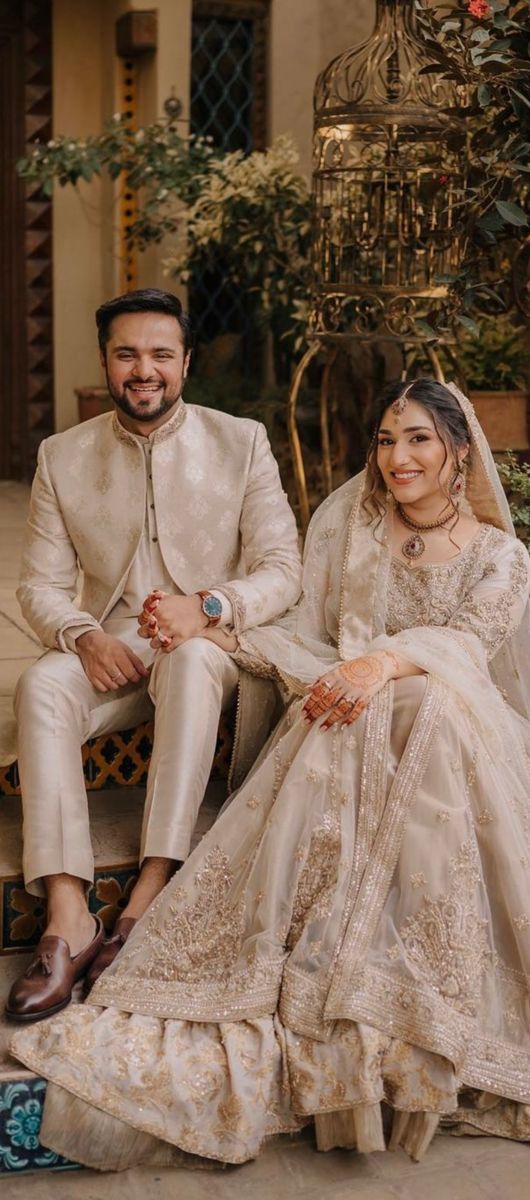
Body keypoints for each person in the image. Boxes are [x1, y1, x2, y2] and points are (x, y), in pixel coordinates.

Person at [10, 379, 530, 1170]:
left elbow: (468, 650)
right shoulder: (349, 524)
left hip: (446, 734)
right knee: (349, 708)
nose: (398, 457)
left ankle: (425, 990)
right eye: (386, 440)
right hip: (348, 721)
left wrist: (381, 666)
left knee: (433, 709)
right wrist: (222, 627)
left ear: (458, 453)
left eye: (418, 439)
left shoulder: (498, 555)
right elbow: (302, 627)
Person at [5, 289, 301, 1023]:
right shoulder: (61, 456)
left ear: (185, 363)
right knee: (43, 685)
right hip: (115, 647)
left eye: (161, 355)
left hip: (212, 646)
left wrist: (206, 607)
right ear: (106, 362)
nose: (145, 370)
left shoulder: (243, 441)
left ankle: (149, 892)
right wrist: (83, 635)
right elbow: (38, 585)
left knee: (195, 664)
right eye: (127, 354)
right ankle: (68, 915)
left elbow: (284, 568)